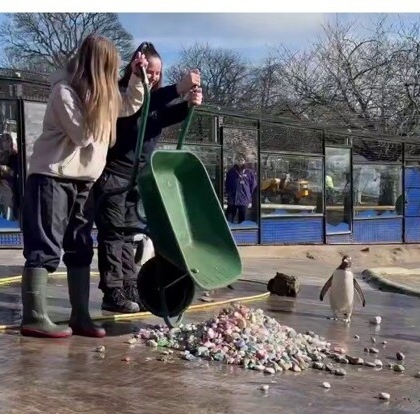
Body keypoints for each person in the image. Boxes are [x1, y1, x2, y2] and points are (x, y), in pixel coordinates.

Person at [19, 34, 152, 339]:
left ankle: (80, 315)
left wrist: (135, 76)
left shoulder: (103, 96)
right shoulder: (63, 92)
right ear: (99, 65)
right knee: (45, 245)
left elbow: (130, 104)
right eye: (112, 67)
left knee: (79, 247)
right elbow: (83, 135)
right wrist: (102, 99)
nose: (112, 74)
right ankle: (34, 316)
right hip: (53, 176)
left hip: (86, 181)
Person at [92, 42, 203, 314]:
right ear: (136, 67)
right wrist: (178, 89)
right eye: (149, 71)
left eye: (157, 73)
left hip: (136, 177)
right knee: (113, 234)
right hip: (114, 175)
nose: (153, 76)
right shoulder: (122, 95)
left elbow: (159, 116)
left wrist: (188, 105)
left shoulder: (152, 100)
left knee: (129, 235)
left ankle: (131, 286)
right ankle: (112, 290)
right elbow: (141, 106)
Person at [224, 148, 257, 224]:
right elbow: (227, 184)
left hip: (244, 199)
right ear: (235, 161)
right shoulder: (231, 172)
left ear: (244, 161)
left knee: (242, 219)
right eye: (238, 160)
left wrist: (248, 194)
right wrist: (229, 193)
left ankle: (242, 233)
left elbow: (253, 185)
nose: (240, 161)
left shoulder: (249, 172)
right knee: (229, 218)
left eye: (241, 160)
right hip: (233, 199)